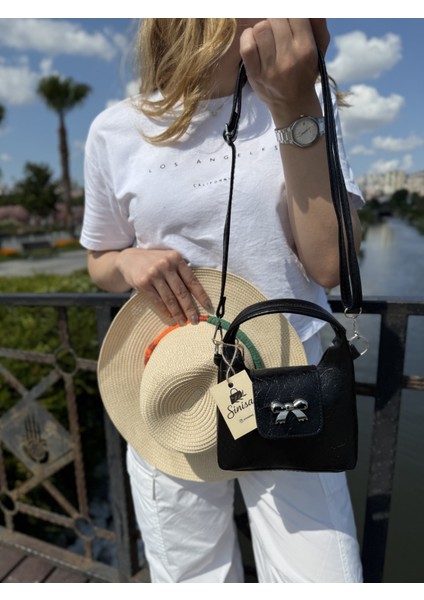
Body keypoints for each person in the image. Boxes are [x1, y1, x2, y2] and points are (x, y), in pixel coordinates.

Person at [81, 18, 364, 583]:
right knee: (191, 579)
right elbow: (100, 261)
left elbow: (330, 266)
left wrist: (293, 105)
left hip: (289, 376)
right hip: (171, 379)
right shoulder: (115, 130)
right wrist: (128, 261)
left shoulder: (301, 96)